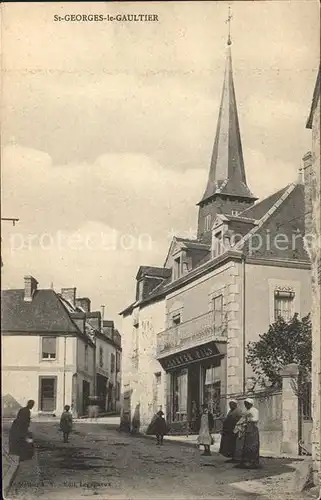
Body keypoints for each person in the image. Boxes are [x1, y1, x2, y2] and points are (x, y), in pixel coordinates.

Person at [234, 398, 261, 469]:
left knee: (253, 446)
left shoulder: (254, 410)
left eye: (247, 404)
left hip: (253, 430)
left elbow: (256, 419)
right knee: (246, 446)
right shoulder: (246, 411)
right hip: (247, 430)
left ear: (251, 404)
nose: (246, 405)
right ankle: (245, 462)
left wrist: (247, 419)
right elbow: (242, 418)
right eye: (245, 404)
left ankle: (253, 463)